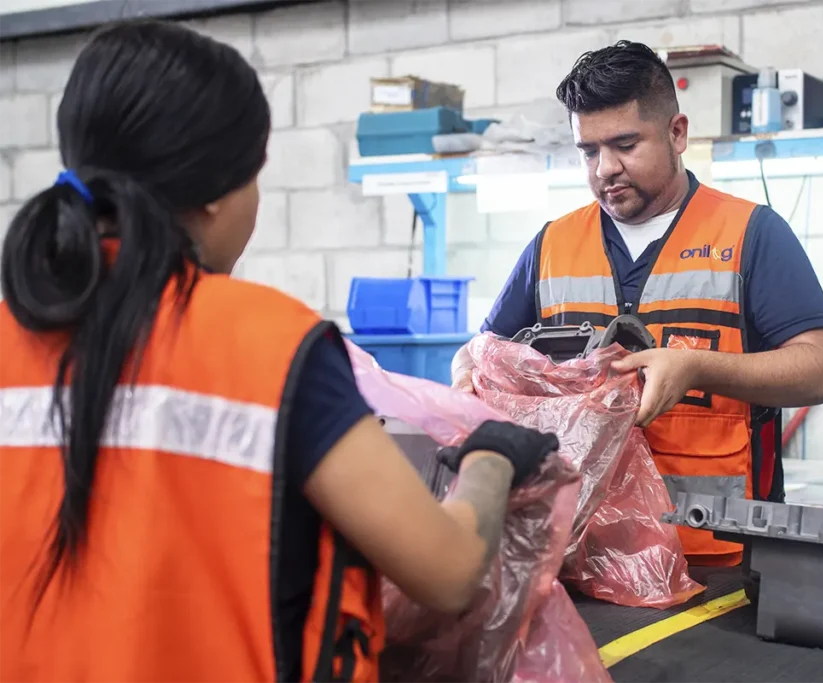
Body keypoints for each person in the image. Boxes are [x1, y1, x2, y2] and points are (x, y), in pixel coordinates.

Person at [0, 21, 559, 683]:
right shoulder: (270, 344)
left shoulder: (16, 329)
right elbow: (447, 571)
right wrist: (492, 456)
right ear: (216, 192)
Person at [452, 41, 823, 568]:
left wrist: (695, 366)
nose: (605, 168)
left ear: (676, 133)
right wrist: (466, 386)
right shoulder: (551, 246)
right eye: (588, 151)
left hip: (717, 559)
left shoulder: (752, 234)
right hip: (578, 559)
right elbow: (479, 355)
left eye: (624, 144)